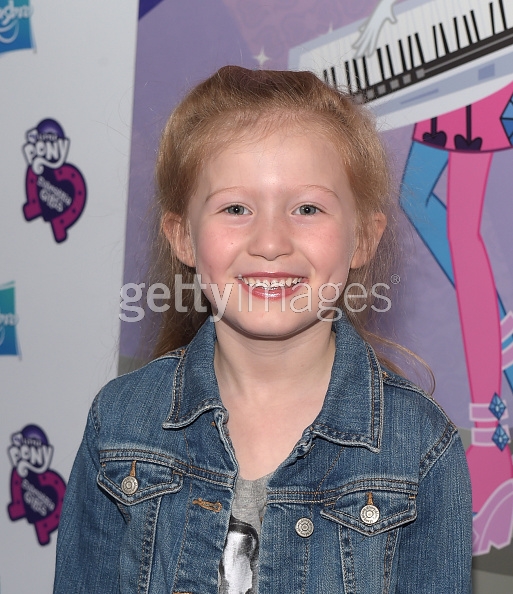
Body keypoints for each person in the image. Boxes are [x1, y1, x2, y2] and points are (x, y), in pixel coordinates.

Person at [53, 66, 472, 593]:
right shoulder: (119, 423)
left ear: (362, 237)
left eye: (306, 208)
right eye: (235, 207)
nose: (270, 241)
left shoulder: (421, 449)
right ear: (183, 236)